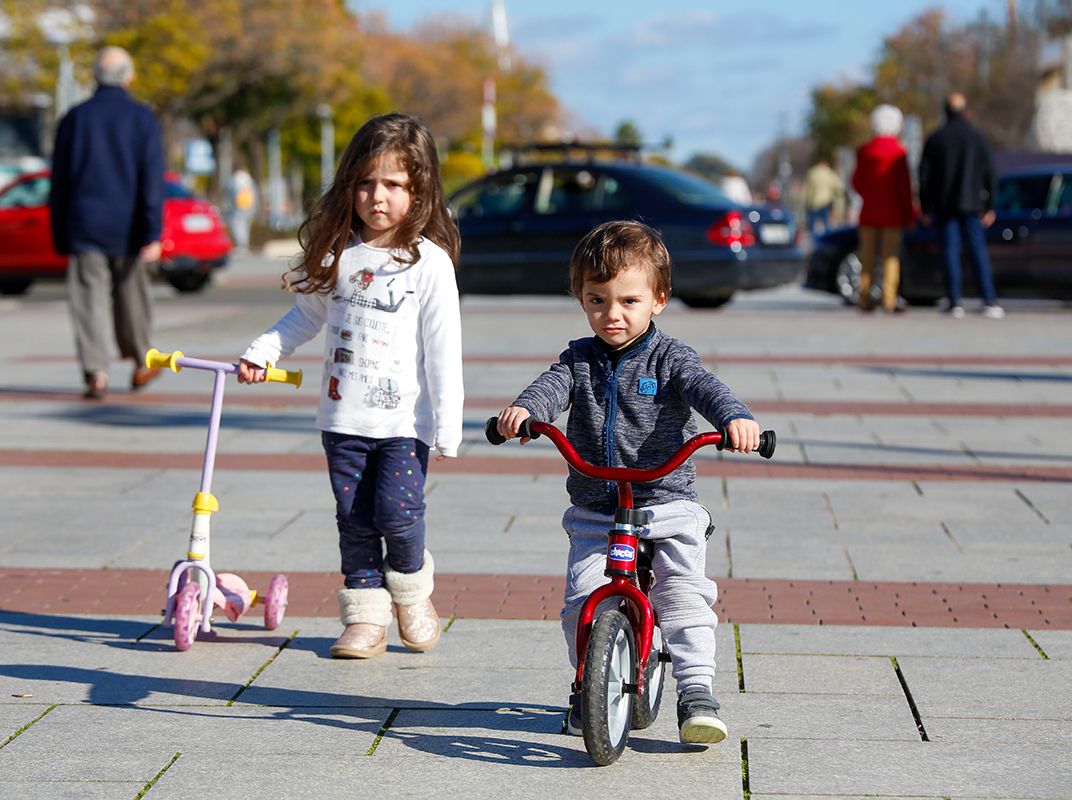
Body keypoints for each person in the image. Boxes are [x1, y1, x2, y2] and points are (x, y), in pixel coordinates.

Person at [494, 220, 761, 745]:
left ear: (659, 300)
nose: (611, 315)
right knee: (580, 602)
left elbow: (705, 388)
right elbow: (553, 385)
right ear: (581, 298)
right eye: (596, 300)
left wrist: (734, 419)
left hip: (666, 500)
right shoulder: (580, 359)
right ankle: (587, 685)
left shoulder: (671, 358)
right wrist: (526, 410)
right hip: (598, 503)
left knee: (682, 595)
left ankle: (696, 691)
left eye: (628, 301)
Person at [237, 114, 463, 659]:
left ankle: (411, 591)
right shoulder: (338, 252)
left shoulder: (428, 264)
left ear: (419, 190)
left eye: (392, 185)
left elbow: (443, 349)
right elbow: (303, 318)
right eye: (365, 182)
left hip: (404, 425)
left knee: (399, 514)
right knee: (354, 520)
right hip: (342, 420)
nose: (376, 197)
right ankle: (365, 617)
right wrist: (263, 349)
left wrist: (448, 428)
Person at [50, 46, 165, 400]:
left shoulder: (74, 119)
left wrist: (60, 232)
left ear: (95, 78)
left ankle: (96, 372)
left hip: (85, 225)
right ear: (129, 76)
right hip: (129, 226)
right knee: (133, 298)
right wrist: (152, 231)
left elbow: (59, 182)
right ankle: (143, 360)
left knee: (89, 301)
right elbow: (151, 179)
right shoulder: (142, 118)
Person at [918, 93, 1004, 319]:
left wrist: (926, 206)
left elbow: (924, 176)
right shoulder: (977, 138)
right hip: (973, 205)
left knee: (950, 252)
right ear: (966, 111)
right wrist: (990, 205)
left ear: (945, 111)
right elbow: (991, 173)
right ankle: (989, 300)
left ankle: (954, 301)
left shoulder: (937, 138)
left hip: (945, 206)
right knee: (977, 252)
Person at [851, 104, 915, 314]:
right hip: (893, 213)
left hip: (869, 211)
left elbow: (857, 182)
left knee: (867, 257)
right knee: (890, 258)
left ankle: (865, 297)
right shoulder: (899, 153)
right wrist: (910, 213)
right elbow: (904, 188)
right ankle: (889, 299)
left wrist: (870, 194)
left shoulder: (864, 152)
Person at [803, 155, 845, 238]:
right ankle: (828, 243)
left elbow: (806, 190)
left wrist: (806, 203)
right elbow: (839, 187)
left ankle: (813, 243)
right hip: (825, 203)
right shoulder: (828, 172)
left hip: (813, 203)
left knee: (812, 227)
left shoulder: (811, 172)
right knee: (827, 225)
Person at [228, 168, 257, 253]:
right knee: (245, 228)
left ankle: (241, 245)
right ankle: (244, 246)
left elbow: (230, 196)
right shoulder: (250, 181)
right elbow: (255, 196)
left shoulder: (234, 180)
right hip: (248, 208)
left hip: (237, 209)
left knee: (238, 228)